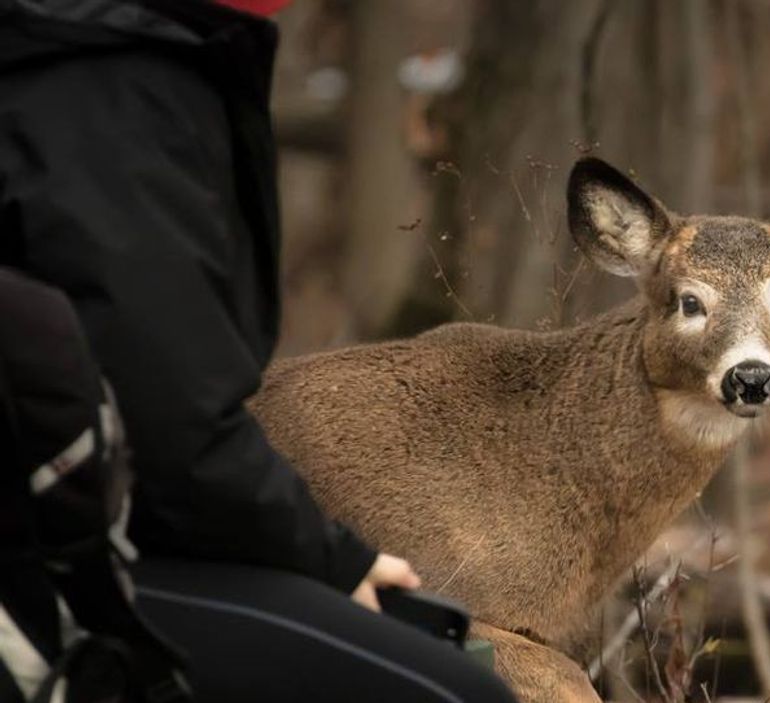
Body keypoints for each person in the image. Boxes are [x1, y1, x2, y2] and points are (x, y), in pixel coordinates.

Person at [0, 0, 515, 700]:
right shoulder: (108, 89)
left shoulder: (110, 57)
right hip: (48, 568)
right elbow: (170, 434)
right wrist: (329, 559)